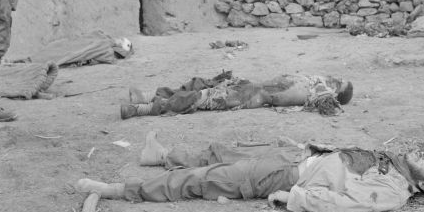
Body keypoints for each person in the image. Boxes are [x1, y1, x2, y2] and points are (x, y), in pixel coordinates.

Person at [77, 131, 424, 212]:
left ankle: (120, 190)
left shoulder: (392, 190)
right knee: (222, 151)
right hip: (297, 157)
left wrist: (295, 198)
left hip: (288, 176)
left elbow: (344, 204)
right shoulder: (394, 162)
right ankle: (161, 154)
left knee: (208, 179)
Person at [120, 71, 354, 119]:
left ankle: (141, 109)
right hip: (254, 86)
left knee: (203, 96)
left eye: (341, 82)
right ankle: (149, 95)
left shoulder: (323, 92)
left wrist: (331, 99)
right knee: (205, 82)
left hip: (255, 96)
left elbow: (329, 108)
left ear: (338, 91)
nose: (337, 77)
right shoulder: (316, 79)